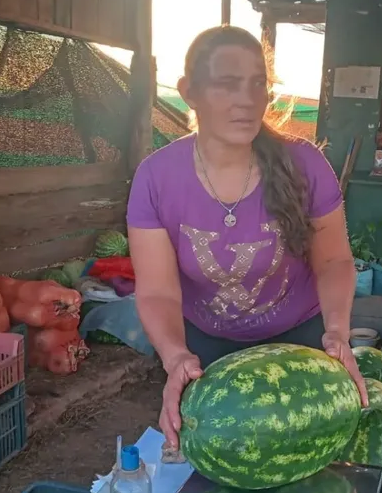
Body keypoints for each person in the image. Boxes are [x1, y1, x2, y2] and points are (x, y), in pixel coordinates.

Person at [127, 25, 369, 449]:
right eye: (227, 84)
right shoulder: (156, 178)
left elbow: (334, 262)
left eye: (258, 84)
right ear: (189, 92)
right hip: (205, 353)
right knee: (219, 463)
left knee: (303, 459)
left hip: (304, 341)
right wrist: (176, 357)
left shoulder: (305, 165)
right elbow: (158, 293)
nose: (247, 100)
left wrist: (336, 330)